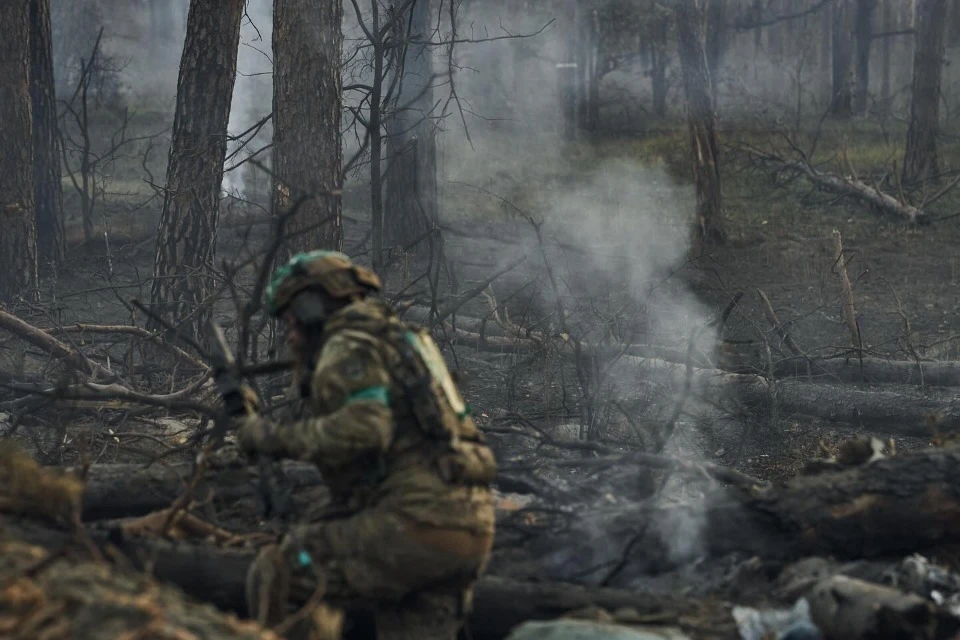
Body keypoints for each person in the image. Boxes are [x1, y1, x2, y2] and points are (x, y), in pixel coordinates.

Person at [238, 250, 496, 640]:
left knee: (280, 568)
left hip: (411, 527)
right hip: (467, 531)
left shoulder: (348, 345)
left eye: (290, 321)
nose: (289, 336)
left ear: (310, 311)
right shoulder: (409, 344)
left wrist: (268, 437)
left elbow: (364, 431)